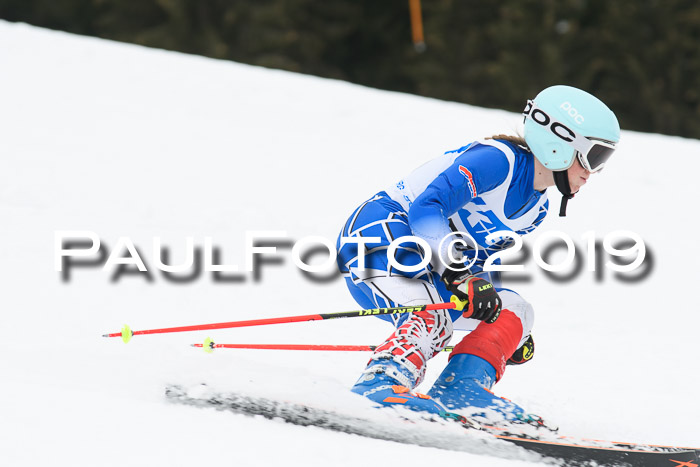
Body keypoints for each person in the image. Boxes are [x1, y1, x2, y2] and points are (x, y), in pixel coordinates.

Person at [336, 85, 620, 427]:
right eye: (593, 156)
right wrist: (459, 275)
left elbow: (480, 263)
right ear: (558, 142)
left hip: (428, 263)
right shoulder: (498, 160)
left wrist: (502, 336)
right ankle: (381, 382)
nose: (592, 172)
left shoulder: (536, 209)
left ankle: (462, 390)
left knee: (514, 311)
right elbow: (428, 208)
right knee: (433, 318)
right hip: (377, 237)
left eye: (602, 161)